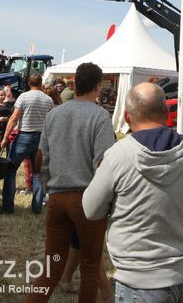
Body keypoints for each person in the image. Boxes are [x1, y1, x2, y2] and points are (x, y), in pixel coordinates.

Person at [83, 82, 183, 303]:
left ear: (127, 117)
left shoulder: (117, 156)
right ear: (167, 113)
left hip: (138, 281)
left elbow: (90, 209)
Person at [26, 63, 115, 303]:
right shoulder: (100, 116)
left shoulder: (55, 113)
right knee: (89, 267)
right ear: (98, 86)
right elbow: (104, 163)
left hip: (56, 197)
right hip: (87, 200)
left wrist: (46, 187)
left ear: (75, 83)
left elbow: (41, 156)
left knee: (51, 268)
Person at [0, 73, 54, 215]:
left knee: (11, 171)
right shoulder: (48, 100)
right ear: (41, 83)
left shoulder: (23, 97)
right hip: (41, 138)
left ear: (29, 84)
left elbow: (14, 118)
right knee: (38, 174)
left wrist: (5, 138)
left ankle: (7, 207)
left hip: (24, 136)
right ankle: (36, 208)